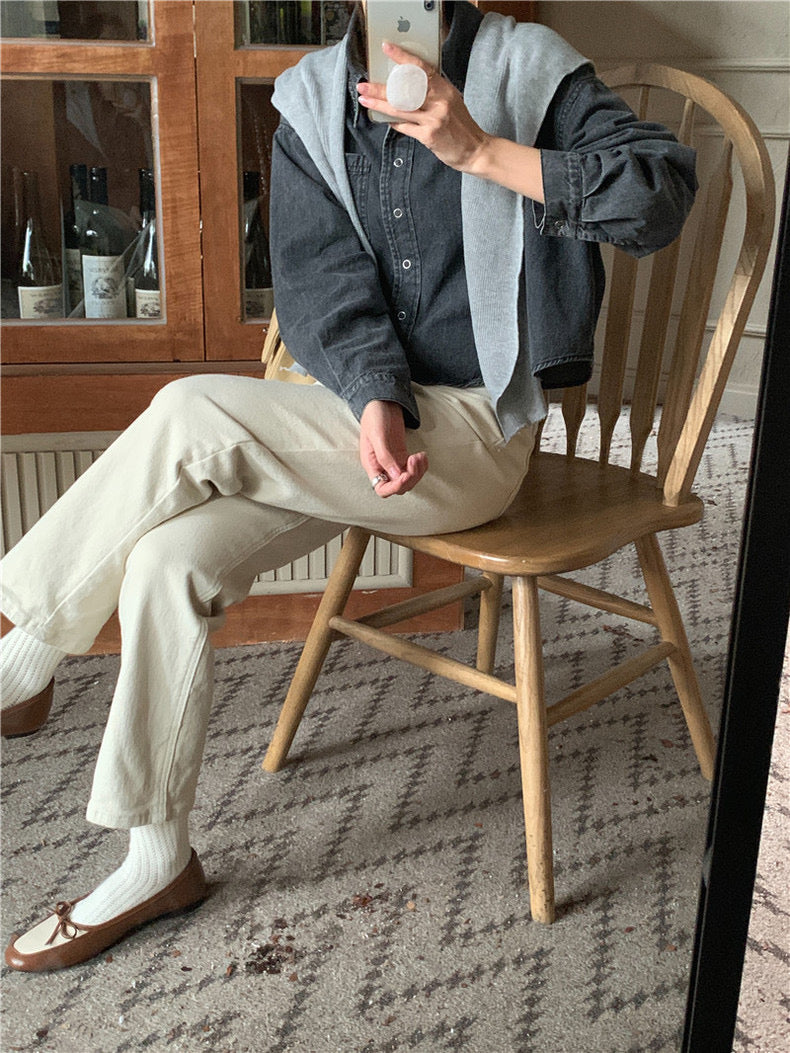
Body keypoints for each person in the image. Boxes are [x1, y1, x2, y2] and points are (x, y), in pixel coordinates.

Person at [0, 0, 696, 971]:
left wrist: (481, 151)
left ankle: (24, 650)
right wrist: (373, 396)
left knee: (190, 412)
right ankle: (157, 857)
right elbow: (317, 277)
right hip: (351, 421)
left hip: (477, 432)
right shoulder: (313, 98)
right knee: (164, 558)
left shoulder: (528, 67)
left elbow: (661, 194)